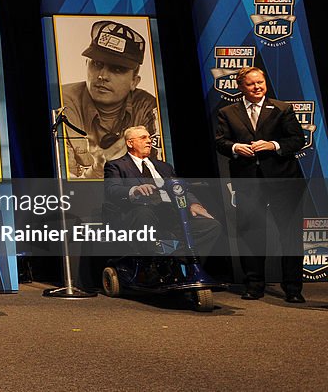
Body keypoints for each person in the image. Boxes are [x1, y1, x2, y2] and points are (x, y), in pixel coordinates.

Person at [214, 67, 306, 303]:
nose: (257, 87)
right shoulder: (227, 112)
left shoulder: (282, 108)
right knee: (252, 234)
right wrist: (235, 148)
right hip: (247, 181)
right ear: (241, 87)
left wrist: (273, 145)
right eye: (251, 84)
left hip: (283, 180)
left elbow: (297, 139)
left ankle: (293, 289)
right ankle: (254, 286)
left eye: (260, 82)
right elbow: (220, 141)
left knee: (290, 235)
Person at [104, 126, 221, 258]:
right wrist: (134, 190)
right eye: (143, 138)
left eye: (149, 137)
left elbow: (179, 189)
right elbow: (112, 189)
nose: (149, 141)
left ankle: (177, 262)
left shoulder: (164, 167)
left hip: (169, 213)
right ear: (130, 143)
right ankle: (153, 265)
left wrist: (193, 204)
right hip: (140, 213)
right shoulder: (116, 165)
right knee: (144, 213)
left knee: (211, 226)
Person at [61, 20, 159, 179]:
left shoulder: (148, 107)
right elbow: (60, 183)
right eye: (97, 64)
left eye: (117, 69)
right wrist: (98, 171)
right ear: (86, 64)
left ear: (134, 81)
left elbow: (158, 174)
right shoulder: (60, 103)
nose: (102, 76)